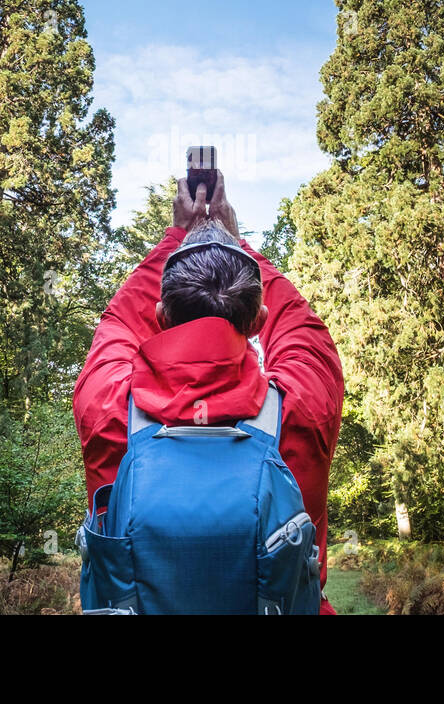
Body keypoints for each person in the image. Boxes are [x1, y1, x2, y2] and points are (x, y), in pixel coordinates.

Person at [73, 172, 345, 614]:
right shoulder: (301, 406)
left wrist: (175, 237)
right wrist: (238, 241)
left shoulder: (109, 410)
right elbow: (300, 327)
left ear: (160, 316)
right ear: (258, 321)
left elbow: (118, 324)